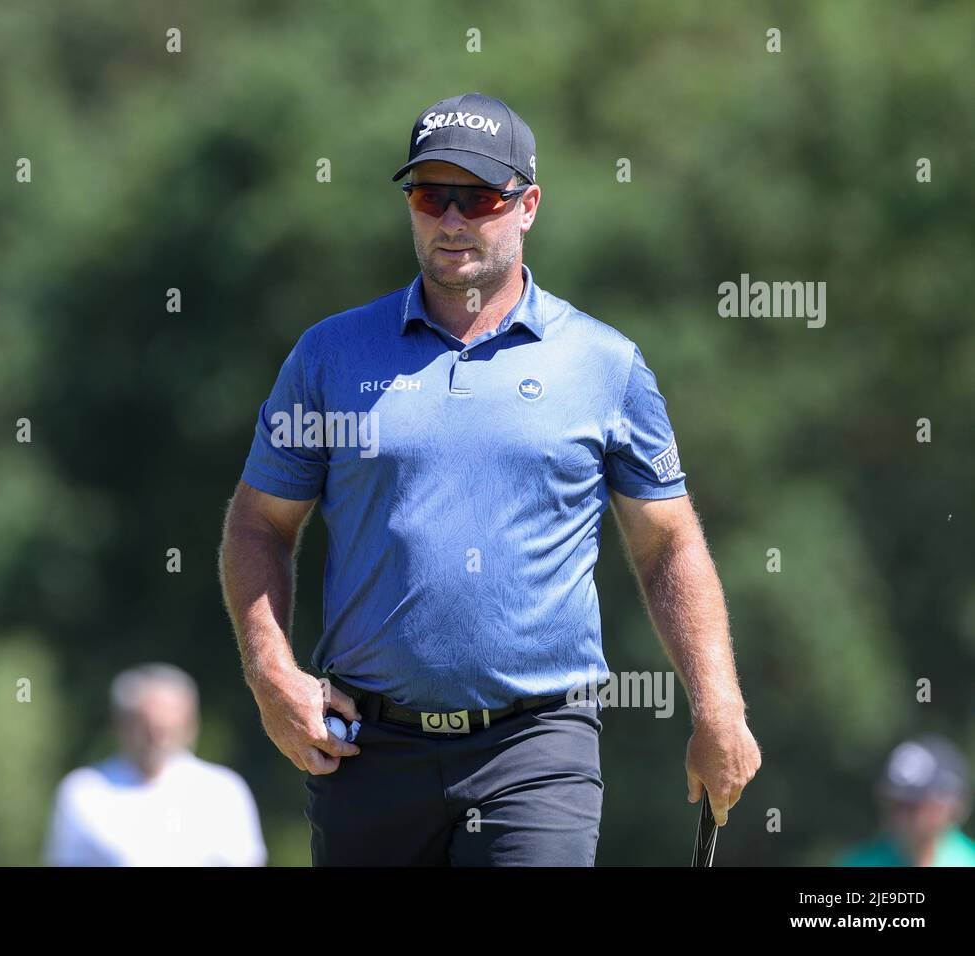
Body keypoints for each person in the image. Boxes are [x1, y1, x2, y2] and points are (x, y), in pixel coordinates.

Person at [219, 91, 761, 865]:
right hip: (364, 748)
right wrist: (272, 674)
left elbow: (668, 545)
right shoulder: (330, 356)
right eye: (430, 195)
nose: (451, 218)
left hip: (538, 747)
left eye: (478, 197)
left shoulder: (604, 365)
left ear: (528, 205)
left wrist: (718, 707)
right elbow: (259, 523)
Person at [44, 663, 266, 866]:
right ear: (119, 725)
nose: (157, 739)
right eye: (146, 728)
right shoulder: (83, 791)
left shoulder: (223, 790)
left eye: (167, 729)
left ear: (190, 724)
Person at [838, 735, 975, 867]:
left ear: (948, 806)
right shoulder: (859, 863)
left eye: (913, 806)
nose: (899, 817)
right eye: (892, 804)